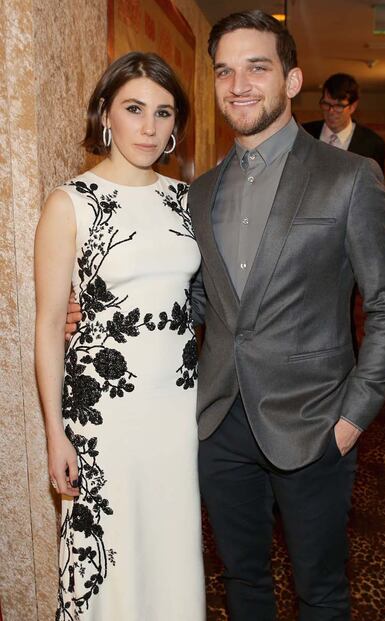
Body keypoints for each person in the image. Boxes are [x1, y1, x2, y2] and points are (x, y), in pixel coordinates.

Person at [65, 11, 385, 621]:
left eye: (257, 67)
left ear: (293, 78)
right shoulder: (197, 192)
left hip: (315, 424)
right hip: (218, 423)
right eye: (225, 70)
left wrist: (354, 417)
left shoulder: (352, 178)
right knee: (242, 582)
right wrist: (97, 313)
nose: (239, 84)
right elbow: (197, 299)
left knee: (320, 592)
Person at [35, 51, 205, 621]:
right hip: (102, 418)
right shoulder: (70, 203)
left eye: (163, 112)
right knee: (108, 563)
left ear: (175, 124)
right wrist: (56, 434)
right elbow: (47, 328)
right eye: (135, 109)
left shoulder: (186, 202)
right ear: (106, 113)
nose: (150, 127)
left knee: (169, 553)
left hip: (176, 411)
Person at [302, 72, 385, 171]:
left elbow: (372, 185)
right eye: (326, 104)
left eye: (339, 106)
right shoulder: (304, 133)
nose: (331, 111)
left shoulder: (372, 144)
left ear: (353, 107)